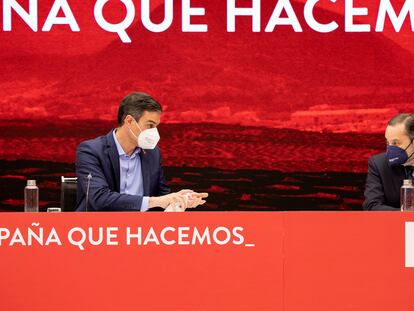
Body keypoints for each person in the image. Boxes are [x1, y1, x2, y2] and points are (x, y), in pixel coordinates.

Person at [75, 92, 208, 212]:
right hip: (98, 231)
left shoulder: (153, 154)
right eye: (150, 125)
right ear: (129, 121)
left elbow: (162, 197)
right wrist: (154, 201)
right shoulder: (90, 151)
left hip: (140, 232)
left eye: (156, 126)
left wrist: (179, 201)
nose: (154, 132)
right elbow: (100, 198)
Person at [363, 113, 414, 211]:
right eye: (387, 142)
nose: (390, 148)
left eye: (395, 143)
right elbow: (372, 206)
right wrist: (407, 216)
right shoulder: (378, 164)